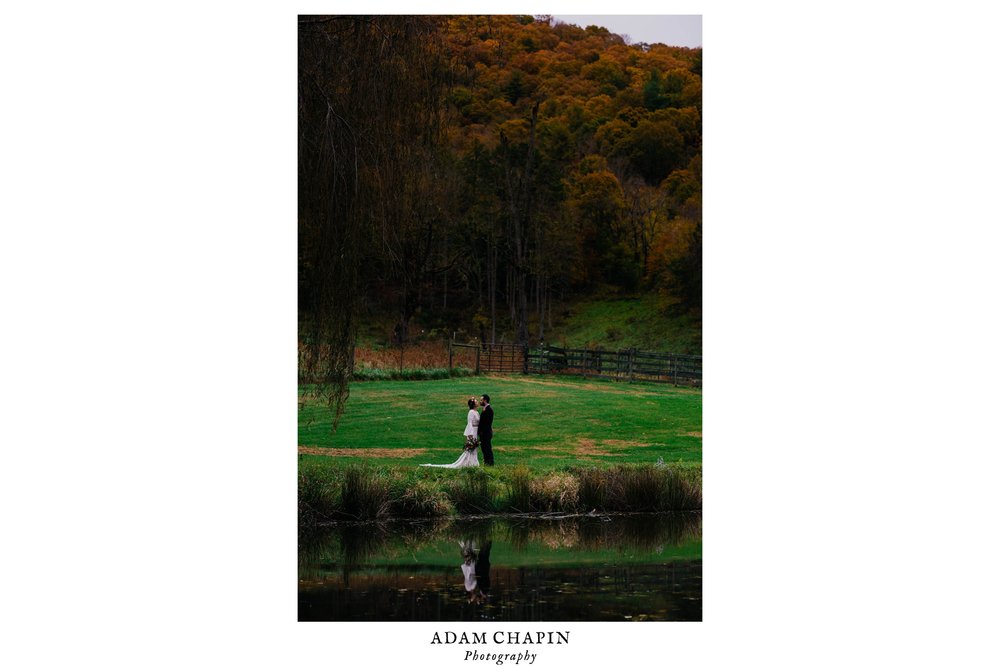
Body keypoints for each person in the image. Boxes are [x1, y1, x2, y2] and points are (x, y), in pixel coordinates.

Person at [419, 397, 480, 468]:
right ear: (473, 404)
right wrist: (470, 434)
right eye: (476, 401)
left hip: (476, 430)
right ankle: (470, 463)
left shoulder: (477, 412)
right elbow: (469, 423)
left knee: (474, 448)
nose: (477, 402)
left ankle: (473, 462)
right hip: (472, 431)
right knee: (471, 448)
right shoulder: (471, 412)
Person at [479, 394, 494, 466]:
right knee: (484, 449)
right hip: (484, 433)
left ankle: (490, 463)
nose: (480, 401)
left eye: (481, 400)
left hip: (486, 433)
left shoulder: (488, 410)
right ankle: (486, 463)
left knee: (487, 448)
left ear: (485, 400)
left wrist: (481, 431)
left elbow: (486, 423)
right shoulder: (485, 409)